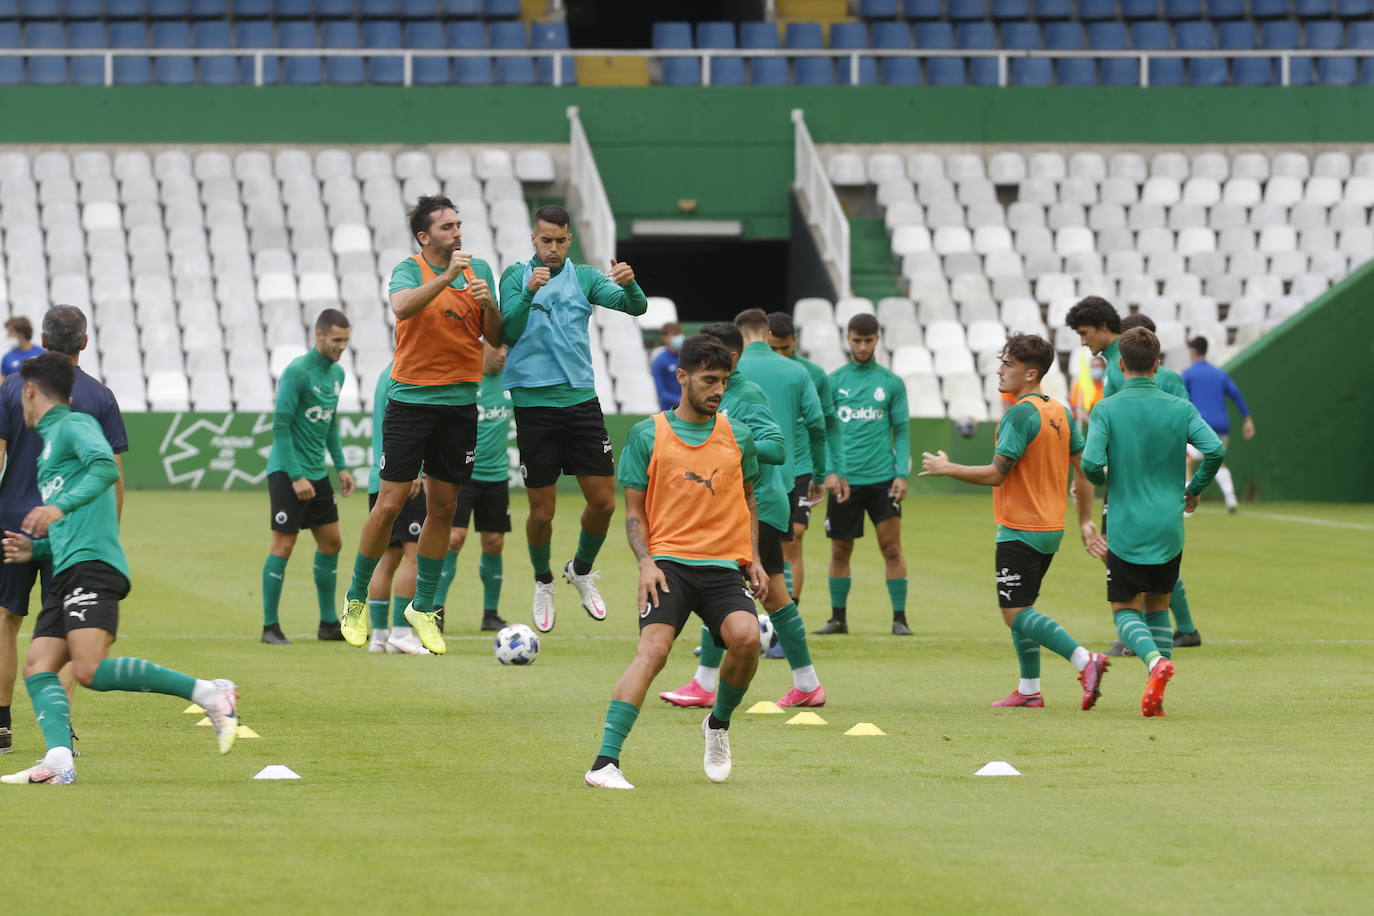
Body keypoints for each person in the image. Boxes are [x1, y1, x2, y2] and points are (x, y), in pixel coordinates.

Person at [1, 354, 239, 784]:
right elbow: (71, 522)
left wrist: (56, 505)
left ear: (30, 390)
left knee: (89, 669)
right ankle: (57, 761)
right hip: (66, 567)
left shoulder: (74, 425)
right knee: (38, 666)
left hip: (92, 566)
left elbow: (107, 467)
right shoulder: (51, 443)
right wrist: (33, 550)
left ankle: (210, 691)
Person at [584, 336, 768, 790]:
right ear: (682, 377)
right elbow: (633, 512)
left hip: (724, 567)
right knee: (654, 652)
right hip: (669, 566)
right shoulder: (649, 434)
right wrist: (646, 564)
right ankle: (605, 763)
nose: (718, 390)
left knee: (747, 640)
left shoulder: (737, 436)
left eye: (723, 381)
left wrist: (754, 558)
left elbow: (748, 497)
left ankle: (717, 725)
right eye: (709, 380)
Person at [338, 195, 501, 656]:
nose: (457, 232)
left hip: (460, 404)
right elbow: (402, 307)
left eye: (459, 224)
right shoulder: (408, 270)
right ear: (425, 237)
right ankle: (355, 598)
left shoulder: (480, 271)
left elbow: (497, 337)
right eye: (447, 227)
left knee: (444, 509)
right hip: (411, 401)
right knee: (390, 502)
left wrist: (490, 306)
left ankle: (423, 608)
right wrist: (448, 277)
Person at [919, 334, 1111, 709]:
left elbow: (995, 474)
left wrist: (947, 468)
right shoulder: (1060, 410)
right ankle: (1029, 690)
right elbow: (1084, 470)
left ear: (1030, 373)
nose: (999, 370)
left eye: (1008, 364)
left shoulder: (1020, 413)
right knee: (1023, 609)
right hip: (1050, 528)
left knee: (1015, 612)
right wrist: (1084, 518)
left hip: (1021, 528)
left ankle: (1085, 661)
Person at [659, 322, 829, 710]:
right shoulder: (719, 396)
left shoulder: (746, 395)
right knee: (769, 596)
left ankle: (706, 683)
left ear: (732, 359)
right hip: (740, 507)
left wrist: (728, 439)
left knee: (724, 588)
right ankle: (806, 683)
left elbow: (776, 446)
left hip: (761, 505)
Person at [498, 204, 647, 634]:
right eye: (546, 240)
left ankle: (580, 569)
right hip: (533, 405)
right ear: (533, 238)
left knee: (603, 502)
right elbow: (506, 331)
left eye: (561, 240)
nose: (553, 248)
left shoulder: (583, 277)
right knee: (541, 512)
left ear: (569, 240)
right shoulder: (514, 276)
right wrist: (528, 292)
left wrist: (632, 285)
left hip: (581, 400)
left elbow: (634, 308)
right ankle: (544, 580)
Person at [0, 306, 127, 757]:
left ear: (43, 338)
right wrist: (107, 533)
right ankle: (61, 725)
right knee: (73, 628)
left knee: (6, 619)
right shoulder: (99, 396)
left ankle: (1, 724)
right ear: (85, 342)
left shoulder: (14, 388)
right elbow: (113, 471)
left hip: (12, 521)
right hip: (75, 531)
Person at [1080, 328, 1224, 717]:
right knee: (1159, 605)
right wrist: (1195, 488)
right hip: (1169, 523)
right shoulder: (1179, 408)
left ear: (1121, 364)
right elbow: (1214, 449)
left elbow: (1091, 464)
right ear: (1158, 365)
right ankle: (1156, 692)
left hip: (1126, 523)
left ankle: (1153, 663)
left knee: (1124, 609)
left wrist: (1104, 480)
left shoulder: (1107, 409)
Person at [260, 309, 356, 645]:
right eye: (336, 340)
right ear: (319, 336)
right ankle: (270, 626)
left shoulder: (337, 374)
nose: (341, 346)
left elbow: (328, 423)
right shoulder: (297, 373)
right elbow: (280, 426)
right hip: (288, 472)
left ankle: (328, 623)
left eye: (345, 340)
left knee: (332, 542)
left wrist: (341, 465)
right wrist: (297, 476)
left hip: (316, 473)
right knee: (284, 544)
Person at [818, 314, 912, 636]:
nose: (862, 347)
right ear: (848, 339)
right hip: (845, 481)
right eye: (857, 340)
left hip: (883, 478)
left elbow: (901, 431)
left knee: (892, 548)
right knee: (840, 550)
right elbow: (826, 431)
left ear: (876, 340)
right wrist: (830, 472)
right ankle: (838, 618)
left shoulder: (891, 383)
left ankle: (900, 619)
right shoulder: (832, 382)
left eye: (868, 341)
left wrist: (902, 474)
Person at [765, 311, 847, 615]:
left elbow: (829, 423)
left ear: (794, 343)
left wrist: (831, 470)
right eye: (774, 350)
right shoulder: (754, 372)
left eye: (785, 349)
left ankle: (787, 619)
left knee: (794, 537)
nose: (781, 356)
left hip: (800, 467)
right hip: (764, 468)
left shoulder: (812, 374)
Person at [435, 342, 511, 633]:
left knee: (494, 542)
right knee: (454, 538)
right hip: (463, 475)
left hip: (497, 476)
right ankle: (436, 609)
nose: (504, 354)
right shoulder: (465, 381)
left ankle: (490, 614)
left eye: (506, 349)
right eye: (498, 349)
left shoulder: (510, 382)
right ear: (482, 350)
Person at [362, 362, 429, 655]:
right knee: (415, 555)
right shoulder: (410, 373)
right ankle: (401, 633)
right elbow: (404, 430)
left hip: (379, 478)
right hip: (403, 478)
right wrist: (413, 471)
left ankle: (378, 635)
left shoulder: (383, 374)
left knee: (387, 558)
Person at [1183, 336, 1256, 516]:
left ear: (1192, 351)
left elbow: (1180, 399)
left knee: (1186, 460)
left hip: (1200, 425)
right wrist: (1247, 418)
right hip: (1221, 426)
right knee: (1216, 461)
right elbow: (1236, 394)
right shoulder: (1219, 374)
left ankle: (1187, 506)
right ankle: (1230, 498)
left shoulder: (1188, 373)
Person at [1065, 296, 1124, 398]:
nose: (1082, 342)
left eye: (1084, 333)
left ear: (1103, 326)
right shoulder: (1114, 360)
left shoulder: (1123, 361)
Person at [650, 321, 683, 410]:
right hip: (668, 413)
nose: (678, 338)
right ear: (665, 338)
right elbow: (661, 393)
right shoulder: (659, 361)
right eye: (674, 335)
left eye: (679, 334)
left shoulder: (687, 357)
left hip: (689, 412)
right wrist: (681, 400)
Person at [1069, 355, 1105, 424]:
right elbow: (1077, 409)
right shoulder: (1079, 385)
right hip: (1082, 422)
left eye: (1098, 366)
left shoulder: (1106, 385)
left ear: (1104, 368)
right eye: (1093, 366)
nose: (1096, 369)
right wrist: (1091, 423)